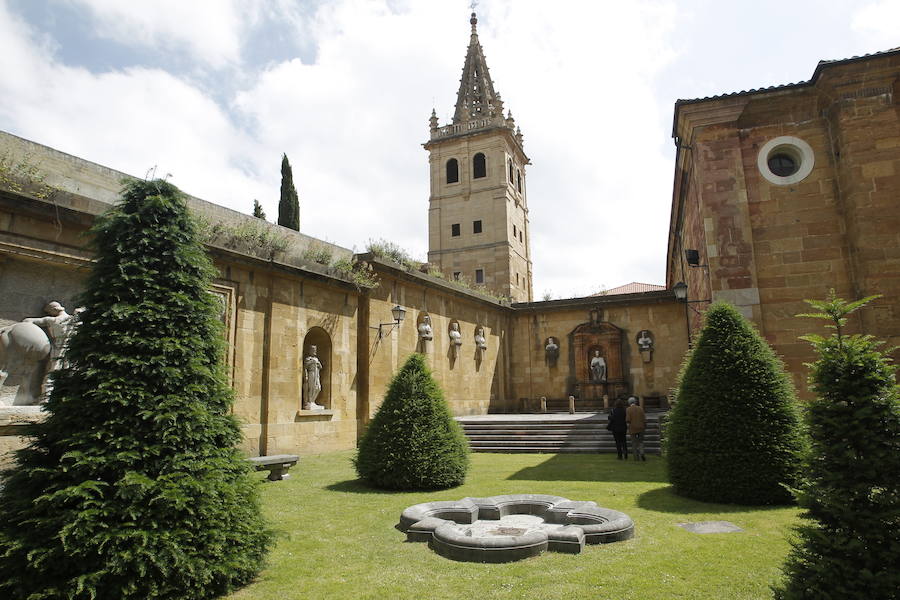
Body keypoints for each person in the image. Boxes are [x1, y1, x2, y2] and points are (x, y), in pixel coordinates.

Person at [303, 345, 324, 410]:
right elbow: (305, 367)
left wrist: (318, 364)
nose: (315, 351)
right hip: (311, 373)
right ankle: (309, 401)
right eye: (313, 350)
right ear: (310, 351)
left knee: (318, 388)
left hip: (317, 374)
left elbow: (320, 367)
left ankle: (313, 401)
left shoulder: (316, 359)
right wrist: (306, 376)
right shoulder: (308, 359)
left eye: (315, 350)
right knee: (311, 387)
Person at [626, 396, 646, 461]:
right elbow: (644, 418)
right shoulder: (640, 408)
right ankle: (642, 453)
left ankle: (636, 457)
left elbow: (628, 420)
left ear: (629, 403)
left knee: (634, 443)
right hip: (641, 427)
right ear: (635, 402)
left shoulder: (628, 409)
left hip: (633, 428)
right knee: (641, 442)